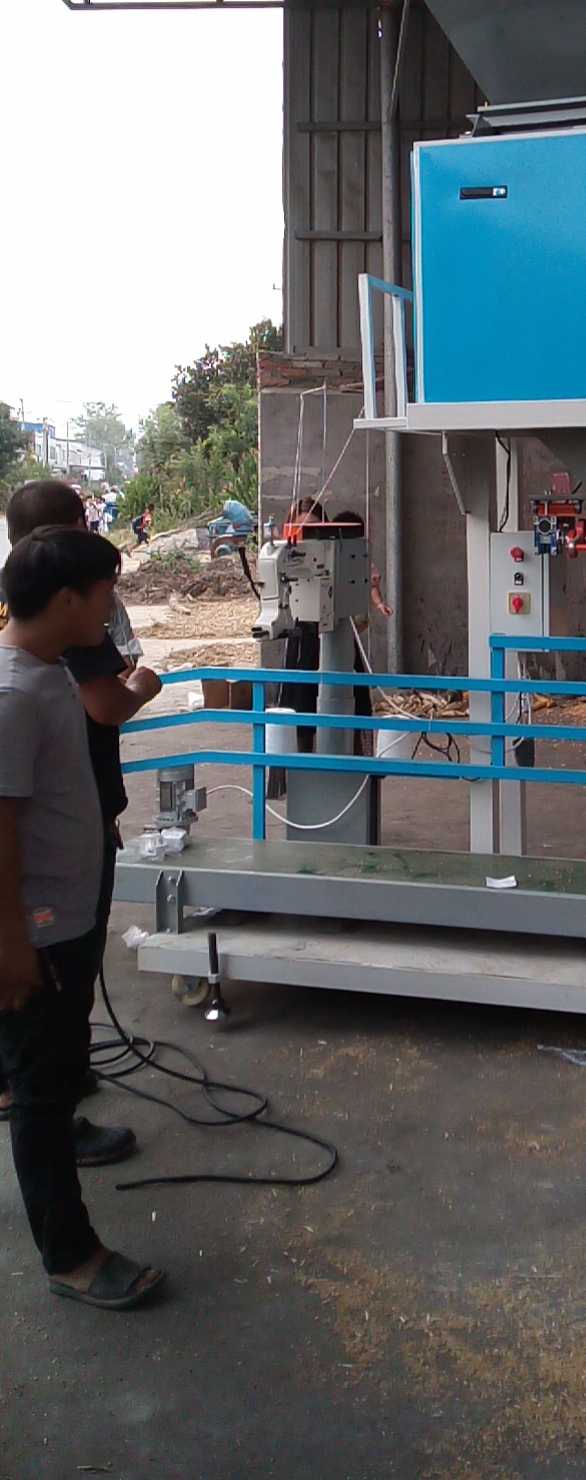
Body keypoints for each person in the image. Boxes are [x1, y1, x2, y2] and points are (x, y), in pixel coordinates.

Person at [0, 527, 164, 1308]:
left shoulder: (46, 668)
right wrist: (11, 944)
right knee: (39, 1092)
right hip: (38, 928)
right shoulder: (13, 696)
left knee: (57, 1070)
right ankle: (70, 1255)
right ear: (68, 600)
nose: (112, 607)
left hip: (64, 910)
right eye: (105, 593)